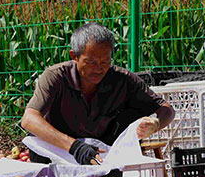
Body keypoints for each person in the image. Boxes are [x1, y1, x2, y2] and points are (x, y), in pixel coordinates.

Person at [22, 22, 175, 165]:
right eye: (91, 62)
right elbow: (29, 119)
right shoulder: (55, 77)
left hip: (97, 154)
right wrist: (75, 146)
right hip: (55, 153)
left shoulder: (122, 79)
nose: (99, 69)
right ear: (74, 56)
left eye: (105, 61)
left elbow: (165, 109)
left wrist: (156, 124)